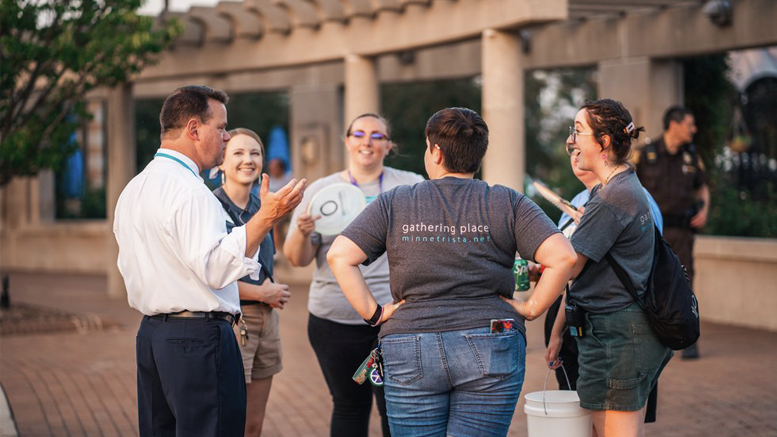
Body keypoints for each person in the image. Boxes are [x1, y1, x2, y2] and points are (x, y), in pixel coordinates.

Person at [326, 107, 577, 437]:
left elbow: (340, 256)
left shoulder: (396, 201)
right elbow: (564, 257)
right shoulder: (507, 201)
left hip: (409, 341)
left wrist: (374, 314)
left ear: (436, 151)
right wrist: (531, 309)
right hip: (492, 338)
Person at [113, 85, 306, 437]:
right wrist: (266, 217)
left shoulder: (134, 187)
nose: (227, 135)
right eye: (221, 127)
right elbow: (215, 269)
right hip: (197, 340)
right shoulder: (191, 191)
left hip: (152, 336)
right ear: (193, 129)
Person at [283, 113, 424, 437]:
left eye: (377, 135)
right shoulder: (322, 190)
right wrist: (303, 233)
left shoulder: (412, 185)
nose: (367, 141)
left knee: (398, 407)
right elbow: (298, 259)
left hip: (396, 321)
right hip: (335, 322)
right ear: (347, 142)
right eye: (359, 133)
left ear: (389, 145)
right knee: (348, 406)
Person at [543, 99, 673, 437]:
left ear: (603, 143)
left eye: (578, 131)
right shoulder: (618, 188)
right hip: (609, 333)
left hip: (620, 337)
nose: (571, 140)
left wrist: (525, 307)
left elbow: (569, 266)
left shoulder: (612, 197)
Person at [213, 128, 291, 437]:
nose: (249, 160)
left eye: (255, 153)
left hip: (266, 319)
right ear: (221, 161)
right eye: (239, 153)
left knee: (254, 425)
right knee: (231, 421)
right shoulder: (210, 206)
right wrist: (261, 292)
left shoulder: (264, 205)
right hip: (233, 320)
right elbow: (207, 275)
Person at [634, 105, 709, 359]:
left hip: (683, 233)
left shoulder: (691, 156)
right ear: (674, 125)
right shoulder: (645, 154)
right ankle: (651, 336)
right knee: (650, 283)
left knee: (685, 283)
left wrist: (704, 210)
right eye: (690, 124)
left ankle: (687, 338)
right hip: (653, 233)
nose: (694, 129)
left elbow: (702, 188)